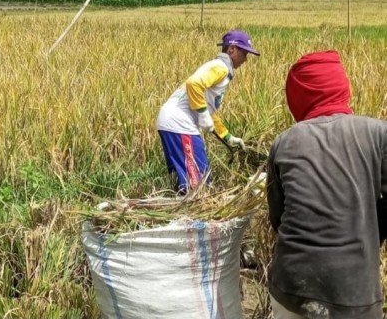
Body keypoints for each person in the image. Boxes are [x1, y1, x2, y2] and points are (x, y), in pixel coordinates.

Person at [267, 50, 387, 319]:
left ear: (297, 96)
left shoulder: (284, 142)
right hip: (354, 294)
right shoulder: (379, 134)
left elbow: (277, 217)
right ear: (342, 87)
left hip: (291, 288)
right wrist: (369, 232)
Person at [156, 29, 259, 192]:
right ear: (232, 49)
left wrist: (228, 136)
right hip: (179, 123)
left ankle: (178, 210)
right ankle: (190, 215)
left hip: (173, 122)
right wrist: (202, 114)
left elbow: (210, 110)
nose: (246, 59)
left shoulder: (222, 70)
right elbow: (193, 84)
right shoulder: (220, 67)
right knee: (199, 186)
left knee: (192, 182)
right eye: (244, 53)